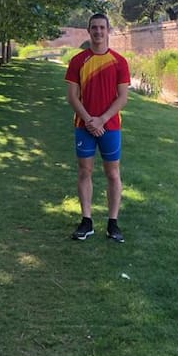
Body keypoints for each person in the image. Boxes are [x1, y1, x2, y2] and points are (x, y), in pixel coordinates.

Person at [65, 12, 130, 242]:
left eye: (102, 27)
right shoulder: (77, 61)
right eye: (94, 27)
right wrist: (89, 120)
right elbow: (72, 97)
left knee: (113, 173)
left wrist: (101, 119)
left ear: (108, 30)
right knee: (85, 171)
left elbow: (123, 98)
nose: (98, 31)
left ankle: (113, 223)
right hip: (84, 126)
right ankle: (87, 221)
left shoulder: (119, 62)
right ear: (88, 30)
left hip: (110, 126)